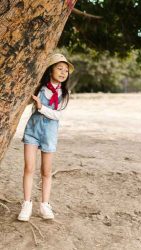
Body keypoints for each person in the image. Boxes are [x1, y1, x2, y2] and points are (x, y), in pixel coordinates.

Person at [18, 53, 74, 221]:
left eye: (66, 70)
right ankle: (27, 204)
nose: (63, 72)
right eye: (59, 68)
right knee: (29, 167)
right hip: (33, 131)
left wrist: (41, 107)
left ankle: (45, 205)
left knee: (46, 171)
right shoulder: (39, 88)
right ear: (50, 70)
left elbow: (58, 115)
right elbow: (24, 101)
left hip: (49, 134)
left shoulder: (64, 94)